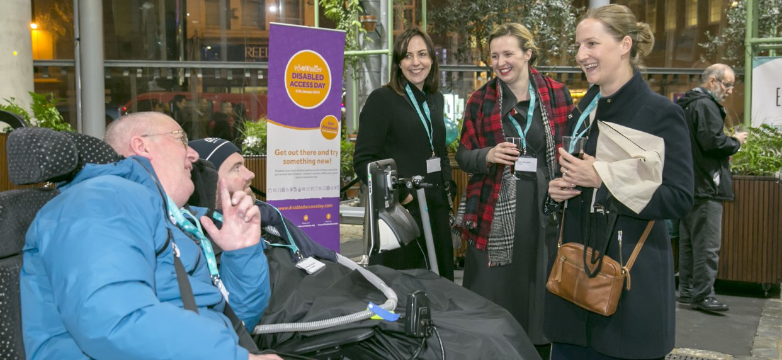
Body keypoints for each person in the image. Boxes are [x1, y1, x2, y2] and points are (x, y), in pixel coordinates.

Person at [20, 112, 279, 360]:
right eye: (181, 139)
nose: (194, 154)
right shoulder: (100, 199)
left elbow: (237, 323)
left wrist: (241, 252)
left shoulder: (172, 217)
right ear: (141, 146)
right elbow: (113, 321)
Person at [545, 5, 693, 359]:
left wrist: (603, 178)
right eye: (579, 46)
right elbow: (575, 179)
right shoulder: (584, 112)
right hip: (573, 288)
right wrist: (557, 191)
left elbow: (679, 198)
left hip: (630, 291)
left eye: (592, 44)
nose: (581, 55)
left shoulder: (661, 114)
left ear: (625, 44)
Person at [453, 23, 572, 358]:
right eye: (494, 55)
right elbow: (463, 155)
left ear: (527, 54)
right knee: (496, 291)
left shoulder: (556, 94)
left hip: (546, 208)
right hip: (494, 209)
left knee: (543, 288)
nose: (500, 61)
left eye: (508, 53)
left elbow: (571, 151)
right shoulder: (479, 100)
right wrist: (487, 155)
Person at [353, 27, 455, 281]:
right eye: (407, 56)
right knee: (406, 289)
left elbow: (438, 150)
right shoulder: (382, 100)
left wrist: (446, 186)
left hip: (436, 208)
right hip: (402, 214)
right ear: (398, 63)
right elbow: (364, 162)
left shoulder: (435, 99)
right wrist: (402, 196)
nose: (416, 62)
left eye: (422, 54)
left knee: (441, 286)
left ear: (432, 58)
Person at [188, 137, 337, 262]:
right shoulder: (203, 246)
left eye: (244, 165)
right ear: (209, 182)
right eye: (236, 168)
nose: (250, 174)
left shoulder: (267, 214)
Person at [676, 64, 747, 313]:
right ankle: (704, 295)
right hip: (707, 184)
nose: (729, 91)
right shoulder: (705, 105)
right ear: (713, 82)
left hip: (688, 183)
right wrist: (735, 141)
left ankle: (687, 291)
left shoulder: (686, 103)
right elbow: (712, 142)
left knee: (688, 243)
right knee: (706, 245)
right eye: (727, 85)